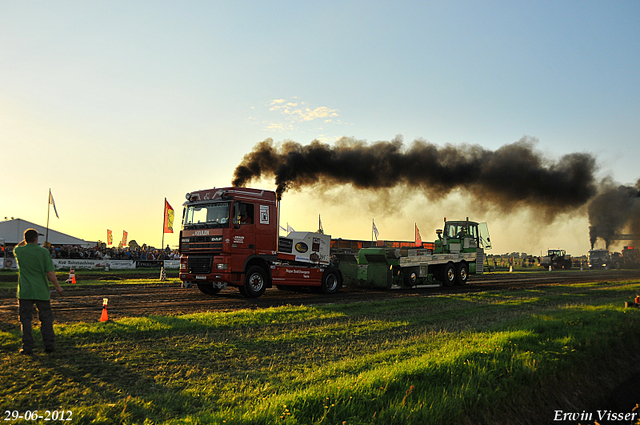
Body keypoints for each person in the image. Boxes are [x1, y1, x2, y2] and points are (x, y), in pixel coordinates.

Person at [13, 228, 64, 355]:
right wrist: (58, 286)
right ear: (36, 238)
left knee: (25, 320)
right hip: (41, 291)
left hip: (25, 291)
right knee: (46, 319)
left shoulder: (19, 251)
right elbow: (50, 273)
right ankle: (49, 345)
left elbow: (18, 246)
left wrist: (26, 240)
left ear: (25, 239)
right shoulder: (43, 252)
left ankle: (27, 347)